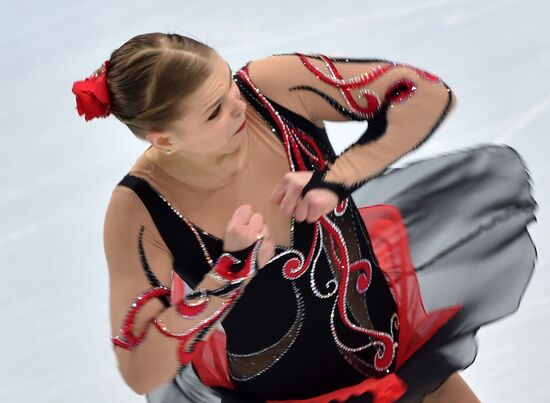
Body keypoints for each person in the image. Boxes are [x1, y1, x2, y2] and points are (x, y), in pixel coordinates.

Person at [72, 32, 537, 402]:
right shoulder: (138, 209)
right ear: (163, 141)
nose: (238, 107)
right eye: (214, 112)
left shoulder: (273, 90)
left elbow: (423, 93)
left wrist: (338, 177)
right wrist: (229, 276)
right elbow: (140, 370)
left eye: (227, 81)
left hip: (397, 364)